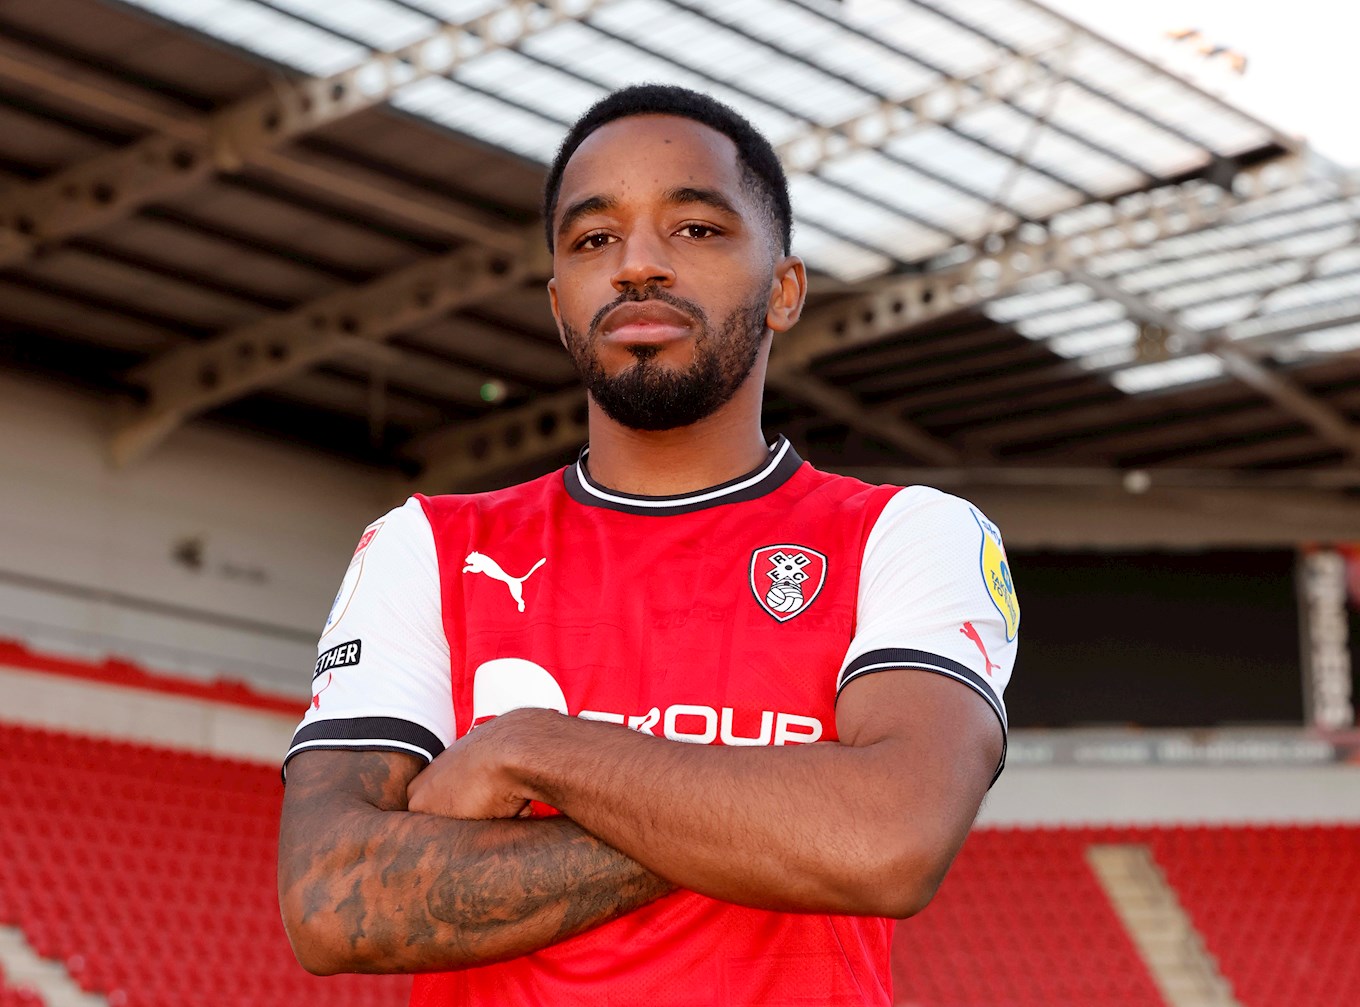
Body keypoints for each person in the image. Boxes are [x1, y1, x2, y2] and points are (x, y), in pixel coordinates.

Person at [278, 84, 1018, 1007]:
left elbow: (888, 840)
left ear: (784, 290)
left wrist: (535, 747)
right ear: (559, 303)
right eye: (594, 239)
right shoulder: (425, 545)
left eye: (696, 229)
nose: (637, 265)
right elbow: (331, 900)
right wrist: (779, 816)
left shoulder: (909, 534)